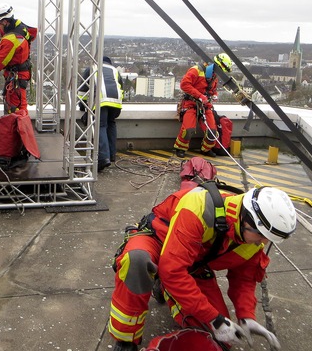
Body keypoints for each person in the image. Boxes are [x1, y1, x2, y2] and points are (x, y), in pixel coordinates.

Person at [107, 185, 297, 351]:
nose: (263, 242)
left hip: (192, 260)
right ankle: (125, 340)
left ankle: (163, 285)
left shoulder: (253, 239)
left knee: (220, 338)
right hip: (157, 239)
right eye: (261, 235)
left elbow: (244, 279)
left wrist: (246, 316)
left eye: (268, 239)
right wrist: (212, 317)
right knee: (137, 261)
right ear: (247, 219)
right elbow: (173, 270)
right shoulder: (199, 207)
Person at [173, 53, 233, 158]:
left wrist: (214, 95)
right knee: (188, 129)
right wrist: (200, 96)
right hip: (191, 103)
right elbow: (184, 85)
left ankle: (206, 149)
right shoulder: (196, 70)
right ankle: (180, 148)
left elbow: (212, 90)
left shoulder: (214, 76)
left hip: (205, 106)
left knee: (212, 131)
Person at [0, 4, 36, 115]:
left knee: (16, 111)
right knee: (20, 108)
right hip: (21, 74)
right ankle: (20, 130)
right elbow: (12, 35)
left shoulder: (10, 40)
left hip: (16, 78)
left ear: (5, 22)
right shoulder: (21, 27)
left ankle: (17, 131)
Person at [78, 56, 124, 172]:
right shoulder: (115, 70)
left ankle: (103, 158)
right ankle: (112, 154)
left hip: (102, 100)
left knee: (101, 126)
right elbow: (121, 88)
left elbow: (82, 90)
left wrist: (83, 106)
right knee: (111, 123)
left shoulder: (92, 68)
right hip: (116, 102)